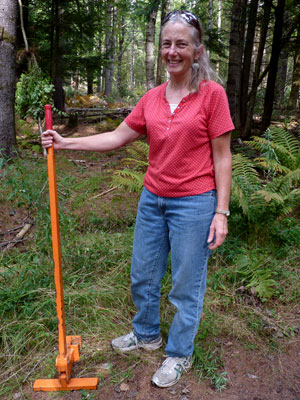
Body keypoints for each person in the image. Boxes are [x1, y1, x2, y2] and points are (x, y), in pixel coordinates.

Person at [42, 9, 234, 388]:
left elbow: (222, 156)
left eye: (182, 44)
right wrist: (66, 143)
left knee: (186, 283)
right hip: (153, 200)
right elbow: (116, 137)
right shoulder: (151, 99)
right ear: (161, 50)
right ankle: (146, 335)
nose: (173, 51)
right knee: (142, 275)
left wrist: (221, 212)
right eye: (167, 44)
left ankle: (179, 353)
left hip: (194, 203)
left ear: (197, 51)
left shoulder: (212, 95)